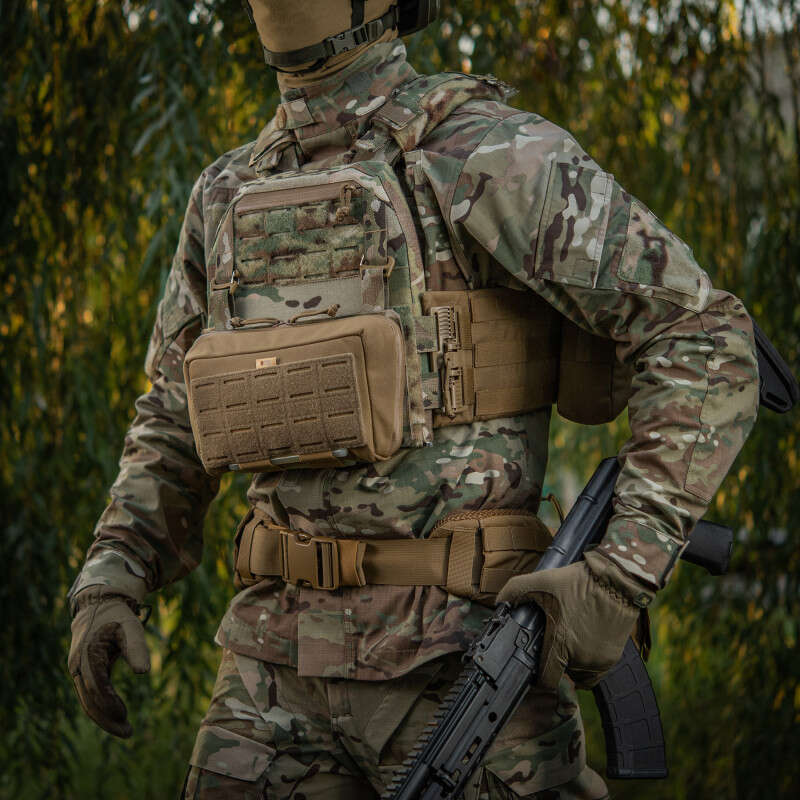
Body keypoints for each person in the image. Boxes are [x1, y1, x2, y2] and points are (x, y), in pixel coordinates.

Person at [67, 2, 759, 798]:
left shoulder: (484, 155)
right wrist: (113, 576)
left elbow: (700, 333)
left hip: (466, 665)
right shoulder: (229, 190)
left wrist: (620, 573)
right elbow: (174, 414)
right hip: (271, 671)